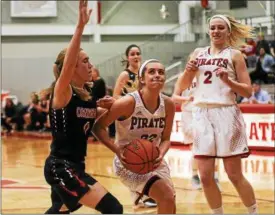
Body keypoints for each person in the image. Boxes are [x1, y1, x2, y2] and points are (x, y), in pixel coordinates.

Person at [42, 1, 123, 214]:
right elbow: (67, 63)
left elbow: (90, 115)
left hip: (75, 165)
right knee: (114, 208)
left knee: (59, 211)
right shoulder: (63, 90)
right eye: (85, 61)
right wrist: (80, 27)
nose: (91, 65)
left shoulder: (86, 97)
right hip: (61, 166)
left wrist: (112, 107)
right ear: (72, 68)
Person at [177, 14, 257, 214]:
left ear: (228, 31)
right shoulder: (197, 53)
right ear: (208, 30)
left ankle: (254, 212)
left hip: (226, 113)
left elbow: (247, 91)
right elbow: (181, 87)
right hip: (201, 114)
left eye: (221, 28)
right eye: (213, 28)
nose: (216, 31)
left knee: (234, 174)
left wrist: (228, 81)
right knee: (205, 176)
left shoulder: (235, 55)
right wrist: (188, 72)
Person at [93, 59, 176, 214]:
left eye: (161, 72)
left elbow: (165, 139)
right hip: (127, 162)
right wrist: (117, 149)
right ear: (142, 78)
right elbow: (98, 128)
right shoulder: (128, 102)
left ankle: (140, 195)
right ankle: (139, 193)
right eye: (152, 71)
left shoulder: (168, 104)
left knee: (170, 203)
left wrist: (161, 154)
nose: (157, 75)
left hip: (154, 159)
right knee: (166, 196)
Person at [113, 44, 157, 207]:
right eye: (132, 54)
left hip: (142, 117)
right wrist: (129, 104)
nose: (135, 56)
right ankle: (137, 197)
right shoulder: (125, 74)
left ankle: (145, 193)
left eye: (138, 53)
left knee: (145, 153)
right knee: (132, 155)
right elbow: (116, 96)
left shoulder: (144, 74)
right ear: (127, 57)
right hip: (127, 117)